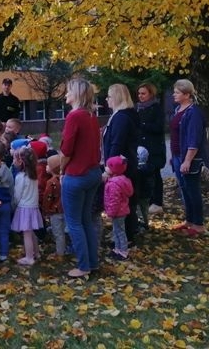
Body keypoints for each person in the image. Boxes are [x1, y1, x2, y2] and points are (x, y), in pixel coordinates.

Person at [59, 77, 103, 279]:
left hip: (76, 175)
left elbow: (66, 149)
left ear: (76, 93)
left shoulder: (74, 116)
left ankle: (84, 265)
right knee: (85, 220)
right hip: (93, 173)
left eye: (68, 90)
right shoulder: (91, 116)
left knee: (75, 222)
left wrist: (60, 170)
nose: (65, 94)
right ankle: (92, 262)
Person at [169, 79, 209, 237]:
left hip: (190, 158)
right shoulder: (178, 109)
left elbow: (194, 139)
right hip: (178, 156)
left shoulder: (193, 113)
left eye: (177, 92)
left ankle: (198, 224)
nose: (174, 95)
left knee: (193, 190)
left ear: (187, 94)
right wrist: (174, 157)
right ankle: (189, 221)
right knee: (184, 189)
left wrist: (187, 160)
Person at [102, 83, 140, 243]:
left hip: (120, 167)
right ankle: (127, 232)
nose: (106, 99)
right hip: (124, 164)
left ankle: (127, 236)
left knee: (122, 202)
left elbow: (116, 144)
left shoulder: (121, 118)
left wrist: (109, 168)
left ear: (117, 97)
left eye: (109, 96)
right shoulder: (124, 115)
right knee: (126, 200)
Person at [136, 82, 167, 216]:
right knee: (144, 174)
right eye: (139, 93)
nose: (140, 96)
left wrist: (142, 125)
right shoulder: (138, 108)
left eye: (143, 93)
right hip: (141, 148)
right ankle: (147, 201)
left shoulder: (156, 108)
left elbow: (159, 128)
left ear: (151, 94)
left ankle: (157, 202)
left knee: (155, 174)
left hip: (154, 148)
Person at [11, 146, 44, 266]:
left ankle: (29, 257)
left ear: (21, 161)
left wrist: (14, 203)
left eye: (14, 159)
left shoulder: (21, 177)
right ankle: (36, 252)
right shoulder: (33, 176)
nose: (13, 161)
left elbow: (17, 194)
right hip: (33, 207)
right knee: (31, 232)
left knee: (26, 234)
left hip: (24, 207)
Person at [104, 155, 134, 261]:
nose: (106, 168)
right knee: (117, 230)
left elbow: (114, 201)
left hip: (117, 212)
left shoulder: (114, 184)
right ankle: (117, 248)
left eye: (109, 166)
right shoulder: (122, 180)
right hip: (122, 210)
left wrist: (110, 213)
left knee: (119, 231)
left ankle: (123, 251)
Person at [42, 154, 67, 257]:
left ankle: (60, 252)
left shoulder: (51, 182)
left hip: (55, 211)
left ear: (52, 168)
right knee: (65, 230)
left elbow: (48, 198)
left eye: (48, 165)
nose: (46, 167)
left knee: (58, 233)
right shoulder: (65, 179)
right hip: (65, 209)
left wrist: (45, 210)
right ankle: (66, 248)